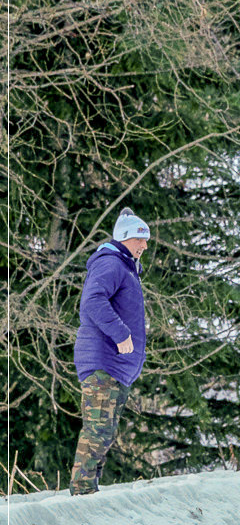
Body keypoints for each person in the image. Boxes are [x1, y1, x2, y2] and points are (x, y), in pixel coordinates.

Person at [69, 209, 151, 496]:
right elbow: (92, 301)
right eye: (140, 239)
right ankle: (82, 492)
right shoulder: (111, 264)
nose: (144, 246)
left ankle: (89, 491)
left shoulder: (126, 268)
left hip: (116, 365)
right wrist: (121, 334)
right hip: (103, 360)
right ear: (125, 238)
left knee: (106, 432)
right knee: (98, 430)